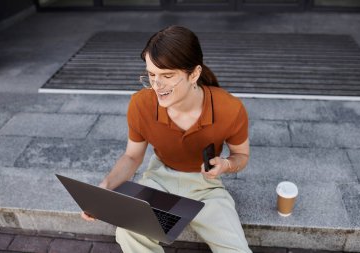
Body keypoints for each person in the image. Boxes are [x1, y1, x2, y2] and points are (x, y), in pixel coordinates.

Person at [81, 25, 252, 253]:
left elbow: (242, 156)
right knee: (127, 232)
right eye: (151, 74)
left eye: (167, 76)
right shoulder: (141, 104)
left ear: (194, 74)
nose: (157, 85)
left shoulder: (230, 108)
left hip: (206, 186)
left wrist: (227, 164)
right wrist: (105, 188)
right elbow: (132, 156)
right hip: (159, 180)